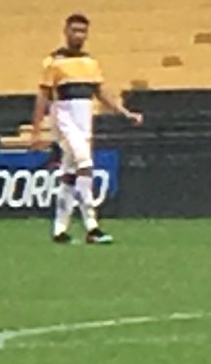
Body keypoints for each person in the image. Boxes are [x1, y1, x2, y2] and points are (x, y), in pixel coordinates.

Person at [33, 13, 141, 245]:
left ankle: (59, 229)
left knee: (69, 174)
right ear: (66, 32)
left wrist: (124, 112)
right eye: (75, 30)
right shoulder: (54, 62)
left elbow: (100, 92)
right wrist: (36, 128)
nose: (78, 35)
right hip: (64, 118)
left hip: (84, 121)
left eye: (82, 31)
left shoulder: (91, 63)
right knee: (85, 165)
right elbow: (43, 96)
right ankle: (92, 226)